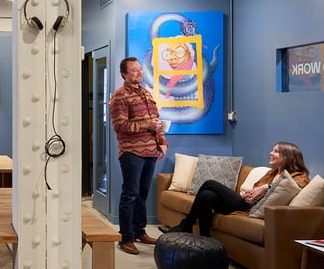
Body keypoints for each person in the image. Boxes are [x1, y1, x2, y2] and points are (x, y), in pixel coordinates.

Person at [161, 142, 310, 237]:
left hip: (251, 209)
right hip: (246, 202)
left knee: (209, 183)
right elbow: (256, 189)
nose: (271, 153)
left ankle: (186, 224)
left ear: (287, 156)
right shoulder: (272, 173)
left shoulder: (299, 176)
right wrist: (251, 193)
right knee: (207, 196)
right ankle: (205, 237)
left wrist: (266, 187)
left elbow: (296, 186)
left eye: (275, 151)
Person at [109, 57, 167, 254]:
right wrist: (146, 125)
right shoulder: (119, 97)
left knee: (142, 194)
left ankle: (139, 231)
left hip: (151, 151)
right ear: (124, 74)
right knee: (130, 195)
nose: (139, 72)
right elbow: (120, 126)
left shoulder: (146, 93)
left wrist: (162, 142)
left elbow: (156, 120)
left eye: (140, 69)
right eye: (134, 70)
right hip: (132, 152)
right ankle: (126, 238)